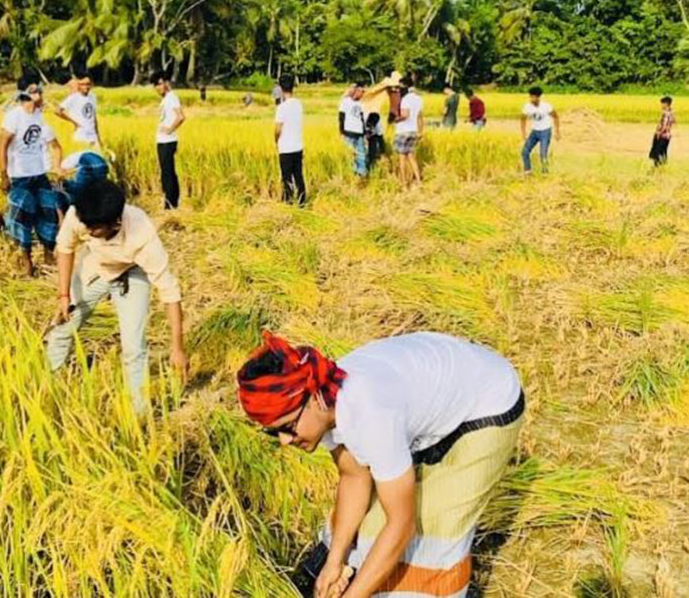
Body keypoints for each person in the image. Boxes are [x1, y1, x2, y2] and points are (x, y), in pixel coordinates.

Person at [237, 331, 525, 598]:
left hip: (488, 404)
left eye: (287, 427)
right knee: (368, 528)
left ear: (314, 398)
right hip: (439, 389)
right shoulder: (327, 399)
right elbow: (354, 478)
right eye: (274, 432)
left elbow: (402, 525)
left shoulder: (369, 415)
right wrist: (334, 562)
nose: (285, 441)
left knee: (432, 533)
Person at [45, 179, 188, 415]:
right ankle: (49, 387)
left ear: (116, 222)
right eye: (86, 226)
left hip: (131, 273)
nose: (88, 231)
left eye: (95, 229)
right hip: (96, 266)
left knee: (133, 347)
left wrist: (177, 349)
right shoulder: (82, 214)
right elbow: (65, 248)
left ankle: (138, 413)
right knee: (62, 326)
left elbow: (170, 292)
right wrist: (63, 295)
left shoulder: (141, 233)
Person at [0, 74, 67, 276]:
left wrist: (57, 166)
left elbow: (54, 145)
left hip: (39, 174)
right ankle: (27, 262)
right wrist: (3, 175)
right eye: (34, 90)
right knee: (22, 218)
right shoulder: (14, 116)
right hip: (19, 176)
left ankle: (48, 256)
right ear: (23, 94)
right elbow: (2, 145)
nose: (39, 93)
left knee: (49, 214)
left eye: (39, 90)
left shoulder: (40, 116)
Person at [153, 72, 185, 210]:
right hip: (163, 140)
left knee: (167, 172)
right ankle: (172, 202)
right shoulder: (167, 98)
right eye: (156, 85)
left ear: (166, 83)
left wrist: (170, 129)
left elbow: (181, 116)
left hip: (167, 141)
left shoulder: (172, 97)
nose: (158, 87)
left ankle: (170, 203)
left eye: (160, 84)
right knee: (167, 171)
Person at [274, 74, 306, 205]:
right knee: (298, 176)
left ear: (281, 88)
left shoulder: (282, 107)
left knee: (287, 178)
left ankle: (288, 202)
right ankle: (302, 202)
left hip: (285, 148)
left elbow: (277, 129)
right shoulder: (298, 105)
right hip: (298, 146)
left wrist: (276, 141)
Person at [521, 86, 560, 174]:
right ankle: (528, 171)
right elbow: (523, 119)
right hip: (534, 132)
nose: (531, 99)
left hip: (545, 131)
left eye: (533, 97)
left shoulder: (546, 106)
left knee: (543, 154)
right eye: (530, 96)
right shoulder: (527, 107)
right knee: (525, 151)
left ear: (538, 97)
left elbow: (556, 117)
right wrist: (523, 132)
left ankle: (545, 172)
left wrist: (557, 131)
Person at [393, 76, 424, 186]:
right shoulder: (418, 99)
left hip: (403, 131)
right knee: (412, 157)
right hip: (413, 131)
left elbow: (405, 115)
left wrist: (395, 119)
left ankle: (404, 183)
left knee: (402, 159)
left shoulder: (405, 99)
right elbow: (420, 117)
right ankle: (419, 182)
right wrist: (420, 131)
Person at [57, 73, 101, 148]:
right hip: (81, 135)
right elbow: (58, 111)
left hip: (92, 135)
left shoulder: (93, 97)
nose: (86, 87)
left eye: (88, 84)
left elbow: (94, 117)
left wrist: (98, 137)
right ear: (79, 85)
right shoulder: (74, 97)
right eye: (83, 84)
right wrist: (74, 122)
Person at [339, 83, 369, 178]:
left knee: (361, 153)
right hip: (348, 131)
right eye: (361, 92)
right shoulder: (346, 101)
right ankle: (353, 172)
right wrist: (341, 130)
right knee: (351, 153)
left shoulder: (361, 104)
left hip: (359, 132)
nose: (362, 94)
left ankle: (362, 173)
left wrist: (364, 131)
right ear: (356, 91)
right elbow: (341, 116)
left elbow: (362, 118)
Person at [650, 96, 675, 168]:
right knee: (663, 152)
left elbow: (664, 125)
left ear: (666, 104)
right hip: (667, 136)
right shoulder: (671, 113)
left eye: (662, 103)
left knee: (657, 152)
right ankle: (662, 166)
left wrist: (659, 133)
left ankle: (657, 167)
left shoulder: (665, 113)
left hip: (662, 135)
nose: (661, 105)